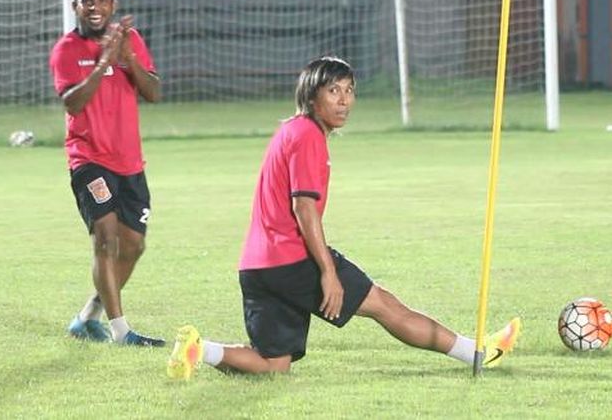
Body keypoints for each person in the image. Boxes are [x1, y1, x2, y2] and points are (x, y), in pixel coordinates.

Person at [167, 56, 520, 378]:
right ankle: (477, 353)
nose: (343, 100)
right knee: (385, 306)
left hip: (258, 267)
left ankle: (199, 349)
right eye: (333, 90)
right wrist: (328, 273)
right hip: (291, 260)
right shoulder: (307, 136)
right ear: (311, 96)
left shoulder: (292, 130)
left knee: (273, 366)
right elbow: (303, 209)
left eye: (349, 90)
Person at [50, 0, 164, 347]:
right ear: (75, 7)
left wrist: (128, 58)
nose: (94, 7)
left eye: (101, 0)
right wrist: (101, 64)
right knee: (106, 238)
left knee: (133, 245)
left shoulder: (129, 41)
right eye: (87, 1)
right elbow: (73, 103)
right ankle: (121, 331)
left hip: (130, 162)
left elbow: (154, 93)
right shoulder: (66, 50)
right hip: (89, 159)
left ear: (112, 6)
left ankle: (88, 317)